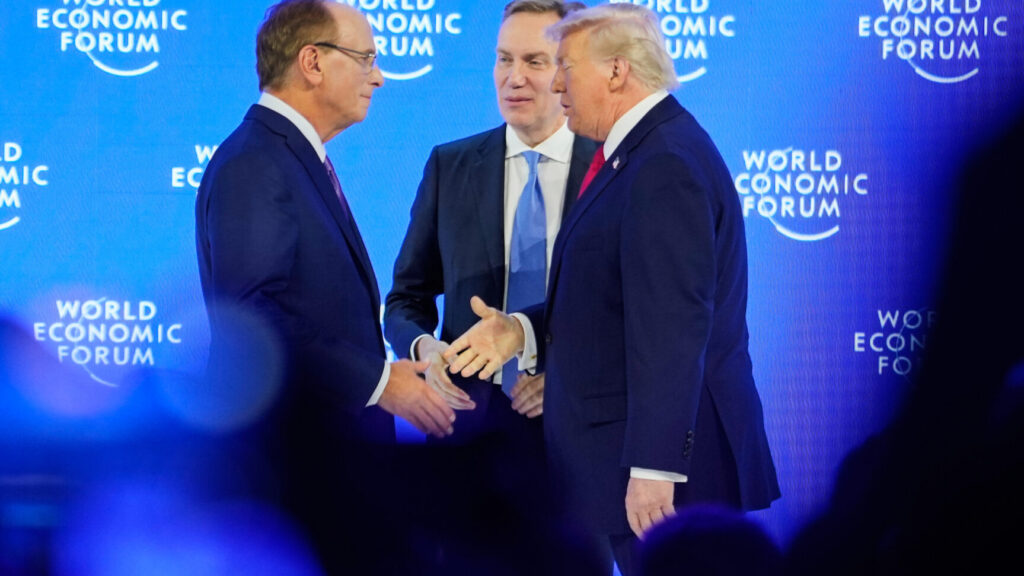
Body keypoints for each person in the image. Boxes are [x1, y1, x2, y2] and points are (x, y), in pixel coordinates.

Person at [443, 4, 780, 574]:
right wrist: (522, 330)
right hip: (635, 465)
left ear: (618, 72)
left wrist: (655, 468)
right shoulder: (639, 154)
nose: (554, 83)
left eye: (565, 68)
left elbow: (673, 326)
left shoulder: (663, 163)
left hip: (663, 480)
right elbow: (615, 300)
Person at [194, 0, 454, 571]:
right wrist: (379, 381)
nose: (379, 76)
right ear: (312, 62)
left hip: (325, 472)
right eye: (364, 58)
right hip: (291, 479)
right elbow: (254, 320)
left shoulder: (290, 157)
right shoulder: (257, 161)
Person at [385, 0, 594, 447]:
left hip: (584, 433)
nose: (513, 78)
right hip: (468, 431)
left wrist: (566, 379)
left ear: (568, 70)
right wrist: (425, 349)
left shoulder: (612, 165)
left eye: (534, 61)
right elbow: (405, 298)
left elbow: (634, 311)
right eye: (504, 59)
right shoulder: (450, 165)